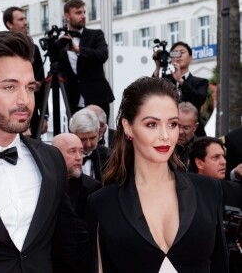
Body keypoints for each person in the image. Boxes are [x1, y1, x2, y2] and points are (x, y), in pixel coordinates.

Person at [0, 31, 88, 272]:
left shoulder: (51, 160)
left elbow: (69, 245)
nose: (25, 100)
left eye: (30, 88)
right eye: (10, 87)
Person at [87, 77, 228, 272]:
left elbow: (221, 265)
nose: (165, 135)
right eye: (152, 124)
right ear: (128, 127)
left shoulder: (208, 190)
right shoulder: (102, 203)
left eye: (172, 124)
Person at [189, 136, 242, 273]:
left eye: (223, 157)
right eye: (216, 157)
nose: (223, 162)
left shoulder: (235, 190)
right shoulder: (185, 192)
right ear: (199, 163)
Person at [59, 0, 114, 120]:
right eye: (78, 13)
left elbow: (102, 55)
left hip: (98, 98)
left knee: (101, 136)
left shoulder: (96, 35)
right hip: (73, 101)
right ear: (67, 16)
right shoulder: (61, 41)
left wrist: (78, 49)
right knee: (76, 138)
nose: (83, 16)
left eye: (84, 12)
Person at [3, 7, 47, 139]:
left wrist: (44, 115)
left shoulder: (34, 48)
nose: (25, 22)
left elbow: (43, 82)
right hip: (9, 113)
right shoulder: (2, 48)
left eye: (25, 18)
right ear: (9, 24)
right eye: (21, 19)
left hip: (33, 114)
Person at [153, 41, 208, 136]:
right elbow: (152, 92)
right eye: (175, 53)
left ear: (190, 57)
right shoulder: (166, 80)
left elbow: (199, 99)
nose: (179, 56)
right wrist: (158, 67)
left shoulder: (200, 82)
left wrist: (180, 80)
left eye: (182, 52)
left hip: (194, 135)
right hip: (168, 132)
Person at [52, 133, 101, 219]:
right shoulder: (44, 182)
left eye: (81, 151)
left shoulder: (92, 188)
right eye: (72, 151)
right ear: (55, 153)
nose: (79, 157)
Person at [69, 108, 111, 181]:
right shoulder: (64, 158)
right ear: (72, 134)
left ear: (98, 132)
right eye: (83, 139)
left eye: (92, 138)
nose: (88, 144)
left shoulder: (110, 156)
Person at [176, 101, 199, 170]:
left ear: (195, 127)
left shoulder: (202, 149)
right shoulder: (164, 146)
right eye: (177, 125)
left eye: (186, 128)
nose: (180, 132)